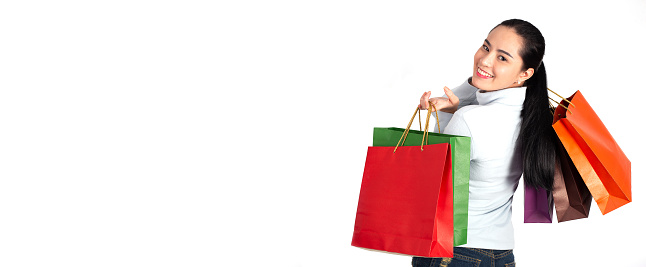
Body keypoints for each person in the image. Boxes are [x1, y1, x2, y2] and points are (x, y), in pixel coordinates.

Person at [412, 19, 558, 267]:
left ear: (525, 73)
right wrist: (457, 108)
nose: (485, 60)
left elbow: (430, 182)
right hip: (501, 255)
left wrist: (447, 116)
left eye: (503, 58)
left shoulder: (470, 119)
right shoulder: (535, 118)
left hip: (453, 251)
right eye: (486, 47)